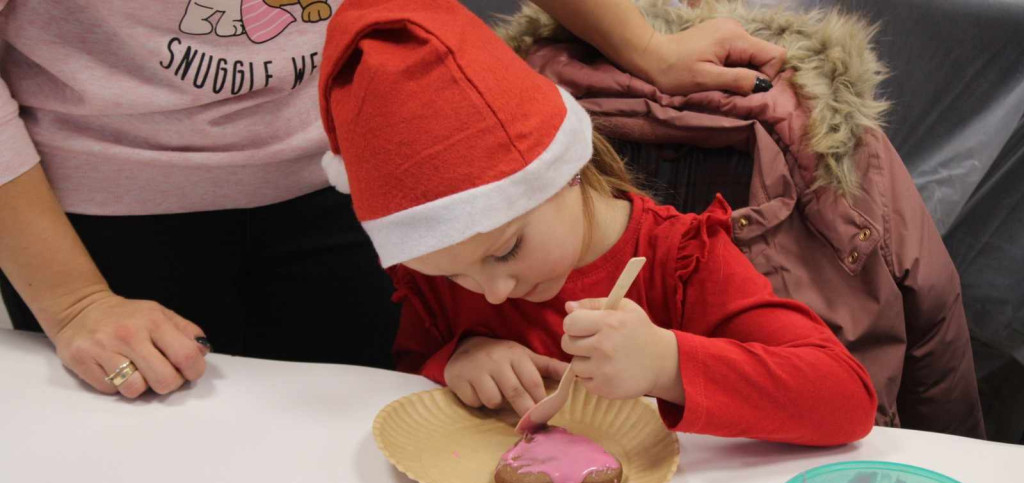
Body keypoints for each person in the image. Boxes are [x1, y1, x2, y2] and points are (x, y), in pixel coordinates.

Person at [0, 0, 785, 400]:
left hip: (366, 188)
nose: (501, 290)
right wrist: (74, 305)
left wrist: (645, 44)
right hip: (94, 224)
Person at [317, 0, 875, 446]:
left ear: (566, 172)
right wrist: (458, 358)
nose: (491, 293)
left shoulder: (682, 260)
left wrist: (667, 364)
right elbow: (411, 364)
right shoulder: (446, 270)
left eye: (507, 250)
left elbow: (846, 400)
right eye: (454, 276)